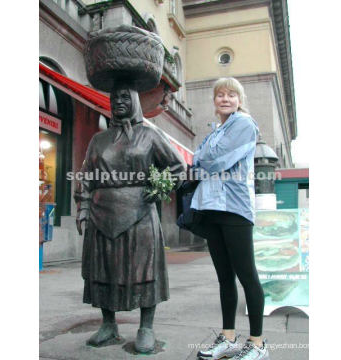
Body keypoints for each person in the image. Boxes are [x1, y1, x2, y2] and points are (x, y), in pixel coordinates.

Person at [74, 86, 186, 353]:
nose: (119, 102)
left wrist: (160, 188)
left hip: (139, 213)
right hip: (102, 214)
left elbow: (177, 167)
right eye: (115, 98)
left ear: (135, 101)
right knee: (104, 270)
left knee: (144, 272)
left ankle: (146, 327)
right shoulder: (98, 140)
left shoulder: (150, 135)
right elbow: (87, 175)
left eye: (125, 97)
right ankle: (108, 324)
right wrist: (83, 208)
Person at [191, 78, 269, 360]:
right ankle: (227, 338)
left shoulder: (244, 124)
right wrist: (202, 159)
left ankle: (258, 344)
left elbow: (212, 161)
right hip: (212, 208)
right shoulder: (215, 131)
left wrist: (203, 159)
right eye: (220, 95)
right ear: (214, 101)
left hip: (235, 208)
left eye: (231, 94)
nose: (225, 99)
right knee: (224, 277)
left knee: (247, 275)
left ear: (239, 99)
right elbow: (195, 161)